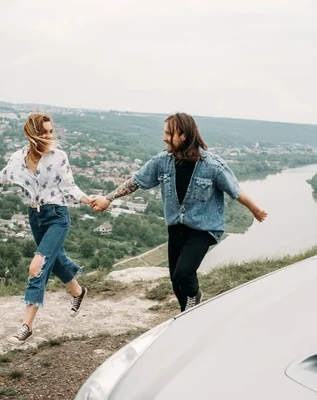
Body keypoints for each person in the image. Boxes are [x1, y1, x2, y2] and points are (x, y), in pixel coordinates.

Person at [91, 112, 267, 312]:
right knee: (176, 281)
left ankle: (196, 297)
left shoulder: (212, 165)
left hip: (203, 228)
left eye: (168, 133)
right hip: (176, 226)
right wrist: (108, 198)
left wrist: (256, 210)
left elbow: (236, 191)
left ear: (183, 136)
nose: (164, 137)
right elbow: (135, 182)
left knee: (184, 274)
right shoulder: (162, 161)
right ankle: (188, 315)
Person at [0, 112, 92, 344]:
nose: (48, 135)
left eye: (50, 131)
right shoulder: (18, 158)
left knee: (37, 267)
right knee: (52, 260)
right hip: (35, 217)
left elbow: (70, 187)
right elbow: (0, 178)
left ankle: (27, 326)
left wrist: (88, 200)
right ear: (32, 133)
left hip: (57, 216)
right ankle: (77, 291)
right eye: (43, 131)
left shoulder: (58, 157)